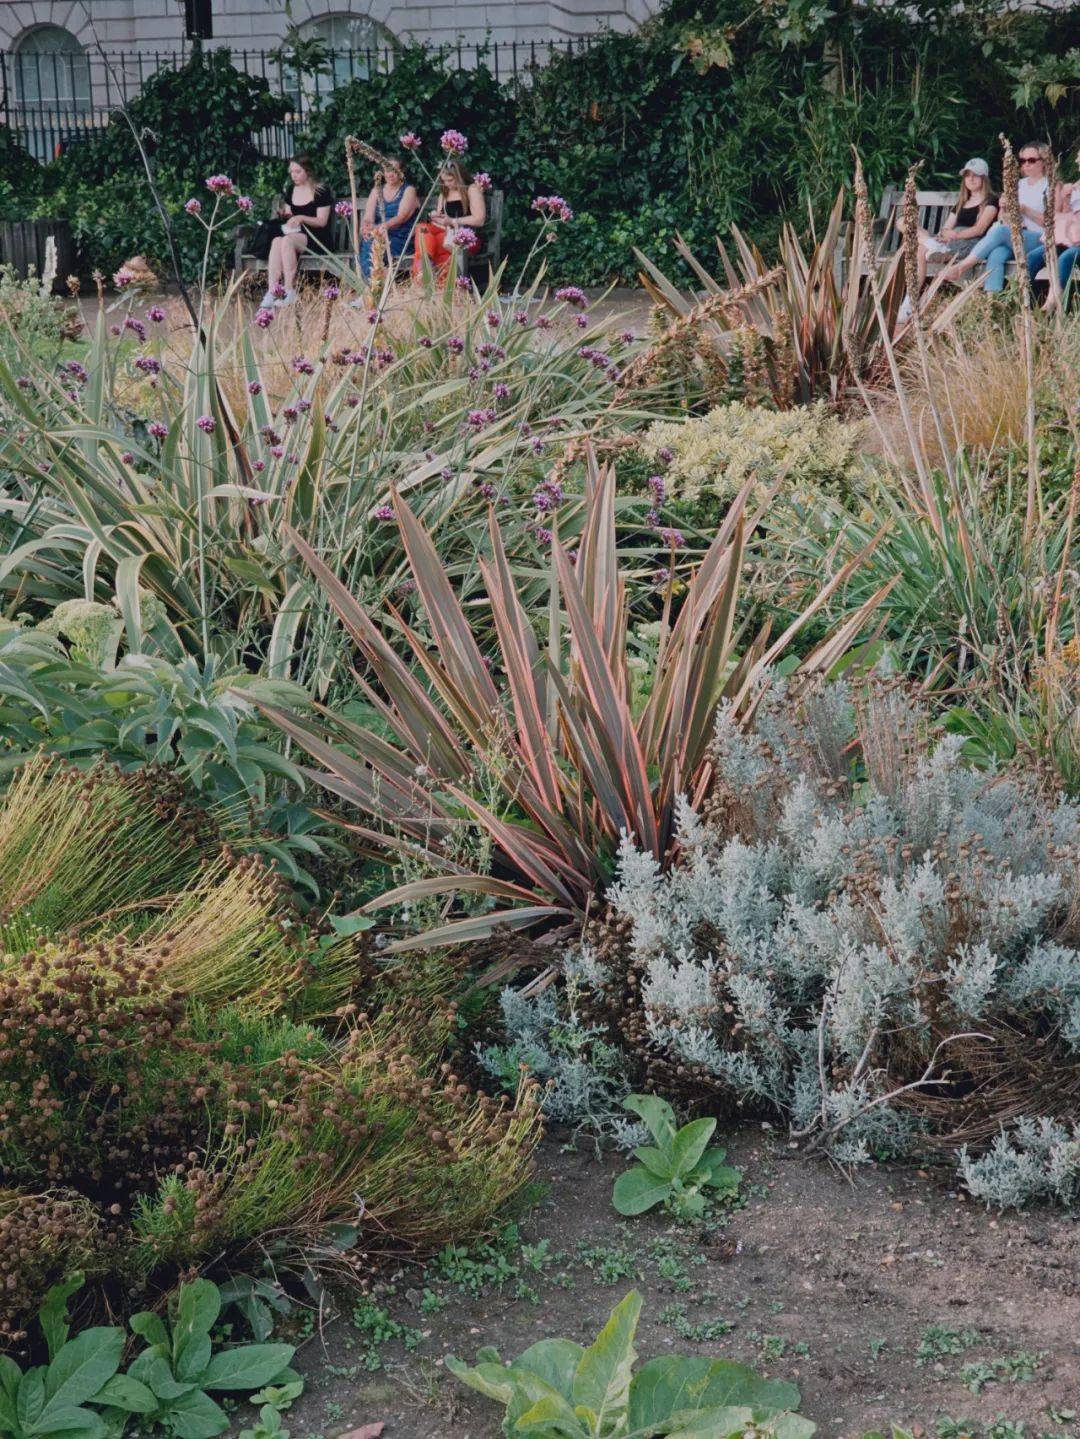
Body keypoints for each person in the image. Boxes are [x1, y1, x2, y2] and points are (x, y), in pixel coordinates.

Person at [897, 159, 998, 322]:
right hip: (948, 243)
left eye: (975, 176)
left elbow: (979, 229)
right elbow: (945, 228)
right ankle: (933, 246)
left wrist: (955, 235)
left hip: (970, 244)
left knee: (920, 250)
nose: (970, 179)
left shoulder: (991, 201)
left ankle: (908, 305)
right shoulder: (961, 202)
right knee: (903, 222)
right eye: (967, 176)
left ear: (984, 178)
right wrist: (943, 237)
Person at [941, 142, 1050, 292]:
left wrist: (1024, 209)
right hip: (1017, 237)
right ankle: (992, 302)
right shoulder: (1018, 185)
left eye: (1031, 160)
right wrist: (1004, 210)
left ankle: (962, 266)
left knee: (1000, 232)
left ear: (1043, 161)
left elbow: (1052, 223)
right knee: (996, 253)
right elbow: (1001, 218)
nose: (1026, 164)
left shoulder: (1051, 186)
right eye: (1022, 161)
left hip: (1040, 239)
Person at [259, 155, 333, 309]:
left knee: (287, 240)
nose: (294, 175)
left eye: (298, 172)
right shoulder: (291, 189)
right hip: (296, 234)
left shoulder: (320, 190)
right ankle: (273, 290)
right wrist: (287, 216)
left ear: (308, 171)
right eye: (291, 172)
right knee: (277, 241)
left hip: (317, 238)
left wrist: (301, 217)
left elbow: (322, 221)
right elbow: (290, 215)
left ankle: (289, 290)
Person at [1027, 142, 1080, 311]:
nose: (1077, 160)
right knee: (1034, 257)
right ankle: (1028, 305)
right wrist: (1065, 197)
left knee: (1065, 259)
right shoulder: (1074, 186)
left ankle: (1053, 305)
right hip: (1067, 238)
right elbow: (1061, 215)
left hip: (1076, 244)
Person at [412, 159, 486, 280]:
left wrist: (452, 221)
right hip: (445, 232)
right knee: (422, 229)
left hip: (465, 237)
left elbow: (479, 219)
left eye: (450, 180)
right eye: (443, 180)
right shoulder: (445, 192)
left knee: (435, 242)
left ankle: (424, 277)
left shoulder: (471, 189)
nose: (446, 184)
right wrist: (436, 216)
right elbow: (442, 219)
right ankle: (425, 266)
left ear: (460, 176)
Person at [358, 156, 419, 280]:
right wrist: (366, 227)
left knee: (374, 245)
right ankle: (373, 287)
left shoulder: (408, 190)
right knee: (369, 242)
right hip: (380, 234)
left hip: (400, 238)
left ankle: (373, 287)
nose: (390, 174)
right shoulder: (377, 190)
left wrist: (377, 228)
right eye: (387, 170)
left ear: (401, 172)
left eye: (394, 170)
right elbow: (368, 217)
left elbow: (400, 218)